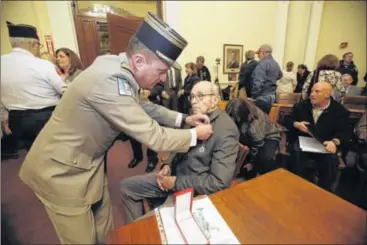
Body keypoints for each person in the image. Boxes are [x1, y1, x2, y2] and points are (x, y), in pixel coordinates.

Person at [18, 12, 213, 245]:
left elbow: (144, 107)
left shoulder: (117, 66)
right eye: (161, 71)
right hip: (60, 172)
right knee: (82, 240)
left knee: (105, 231)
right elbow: (154, 136)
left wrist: (183, 120)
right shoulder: (111, 81)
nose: (163, 79)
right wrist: (194, 135)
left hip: (88, 163)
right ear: (139, 61)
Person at [120, 81, 239, 224]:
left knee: (148, 226)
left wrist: (176, 183)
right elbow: (180, 146)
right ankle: (137, 231)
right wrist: (167, 165)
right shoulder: (195, 118)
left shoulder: (226, 130)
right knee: (126, 186)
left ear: (215, 100)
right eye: (192, 96)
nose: (194, 101)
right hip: (173, 177)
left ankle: (141, 230)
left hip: (190, 191)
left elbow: (219, 182)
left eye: (200, 96)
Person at [1, 22, 66, 151]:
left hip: (16, 120)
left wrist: (4, 117)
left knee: (33, 153)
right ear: (32, 44)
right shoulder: (42, 65)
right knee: (54, 152)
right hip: (44, 119)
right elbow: (63, 90)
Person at [284, 82, 351, 192]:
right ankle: (298, 188)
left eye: (317, 91)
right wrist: (296, 124)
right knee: (296, 154)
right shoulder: (301, 106)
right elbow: (286, 119)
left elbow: (345, 132)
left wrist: (335, 142)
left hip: (325, 143)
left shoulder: (340, 111)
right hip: (303, 142)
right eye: (311, 91)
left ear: (327, 94)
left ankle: (323, 192)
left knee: (330, 160)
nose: (312, 94)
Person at [226, 98, 281, 175]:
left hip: (269, 136)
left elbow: (257, 143)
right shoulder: (241, 111)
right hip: (249, 134)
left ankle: (266, 177)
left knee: (265, 159)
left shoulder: (255, 123)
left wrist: (251, 161)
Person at [251, 44, 283, 114]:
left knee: (260, 122)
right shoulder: (275, 63)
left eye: (258, 54)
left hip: (262, 97)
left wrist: (254, 96)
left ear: (263, 53)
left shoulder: (262, 64)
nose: (258, 56)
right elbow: (280, 75)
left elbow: (258, 83)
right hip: (272, 96)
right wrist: (270, 79)